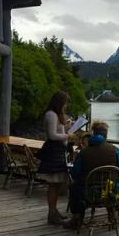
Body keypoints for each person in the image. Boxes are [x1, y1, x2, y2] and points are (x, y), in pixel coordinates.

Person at [65, 121, 119, 229]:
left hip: (89, 193)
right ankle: (114, 217)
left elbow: (75, 172)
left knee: (74, 187)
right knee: (116, 186)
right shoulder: (114, 150)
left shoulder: (84, 152)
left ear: (93, 133)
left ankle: (76, 219)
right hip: (110, 192)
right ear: (106, 135)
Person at [36, 91, 73, 225]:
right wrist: (68, 136)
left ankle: (54, 211)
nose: (66, 106)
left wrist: (67, 127)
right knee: (53, 184)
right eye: (65, 103)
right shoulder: (51, 115)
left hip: (59, 150)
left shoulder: (56, 115)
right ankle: (51, 213)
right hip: (53, 151)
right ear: (59, 103)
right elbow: (52, 135)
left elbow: (58, 132)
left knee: (56, 184)